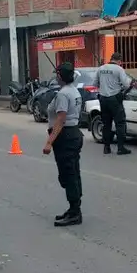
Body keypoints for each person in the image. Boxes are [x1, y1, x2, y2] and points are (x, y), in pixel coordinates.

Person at [43, 62, 85, 227]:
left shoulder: (63, 94)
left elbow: (60, 120)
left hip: (65, 136)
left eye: (57, 74)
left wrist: (48, 142)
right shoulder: (74, 91)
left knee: (68, 175)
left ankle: (75, 212)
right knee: (73, 172)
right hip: (74, 133)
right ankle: (74, 208)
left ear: (60, 76)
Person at [94, 52, 137, 155]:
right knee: (120, 123)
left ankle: (106, 148)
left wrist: (105, 86)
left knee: (106, 124)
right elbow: (126, 84)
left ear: (111, 58)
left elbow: (95, 84)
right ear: (120, 61)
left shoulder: (101, 68)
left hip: (103, 99)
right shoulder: (119, 69)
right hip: (114, 99)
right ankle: (120, 148)